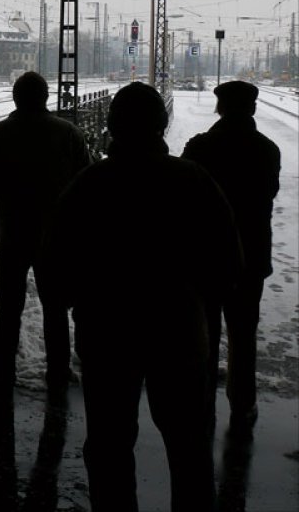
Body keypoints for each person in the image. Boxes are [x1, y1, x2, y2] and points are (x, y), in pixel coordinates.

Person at [45, 82, 242, 512]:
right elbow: (228, 263)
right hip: (178, 331)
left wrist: (83, 303)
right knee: (188, 448)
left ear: (113, 126)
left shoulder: (90, 184)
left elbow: (57, 266)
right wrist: (196, 304)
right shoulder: (193, 180)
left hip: (107, 333)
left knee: (109, 446)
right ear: (161, 124)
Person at [0, 71, 91, 399]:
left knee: (9, 309)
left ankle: (2, 371)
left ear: (15, 98)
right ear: (45, 97)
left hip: (12, 232)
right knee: (55, 309)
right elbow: (85, 182)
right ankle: (58, 372)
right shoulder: (69, 134)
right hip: (55, 236)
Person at [182, 80, 280, 434]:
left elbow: (185, 196)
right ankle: (242, 403)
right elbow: (269, 193)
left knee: (203, 331)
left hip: (206, 256)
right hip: (250, 255)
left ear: (220, 108)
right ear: (251, 108)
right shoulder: (266, 149)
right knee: (243, 333)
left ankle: (201, 398)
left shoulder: (200, 147)